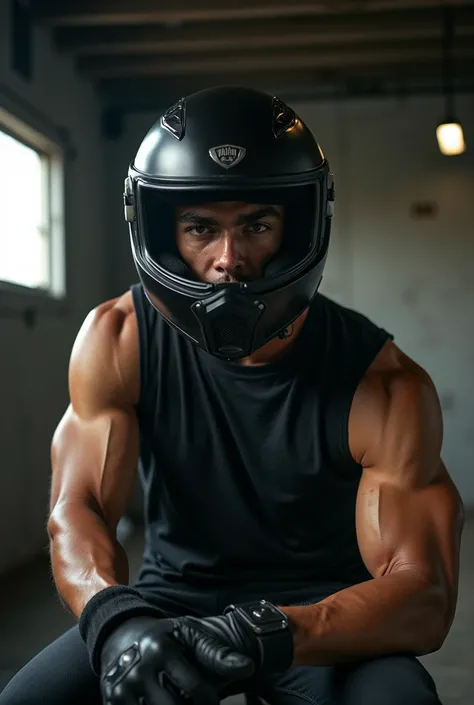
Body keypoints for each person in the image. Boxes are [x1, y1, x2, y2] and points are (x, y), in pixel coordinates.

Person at [0, 86, 464, 705]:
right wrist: (117, 619)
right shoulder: (119, 338)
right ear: (166, 235)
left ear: (297, 228)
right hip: (171, 600)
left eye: (256, 226)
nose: (229, 260)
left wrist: (264, 631)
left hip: (323, 609)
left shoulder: (383, 383)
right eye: (200, 229)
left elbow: (423, 592)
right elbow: (76, 508)